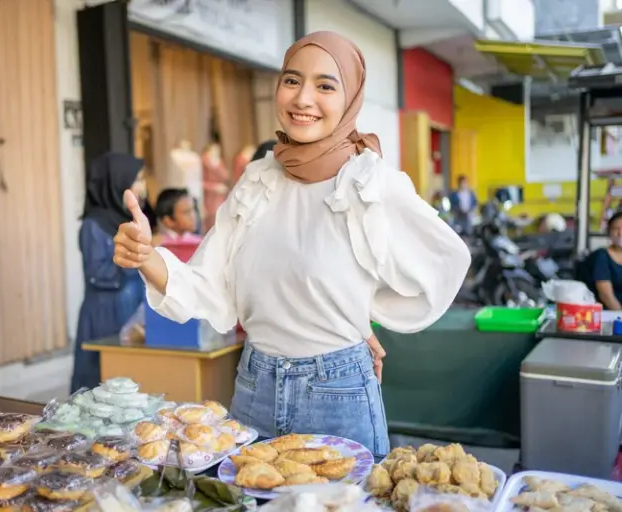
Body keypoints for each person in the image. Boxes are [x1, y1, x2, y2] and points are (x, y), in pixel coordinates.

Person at [112, 31, 470, 454]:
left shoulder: (370, 183)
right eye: (291, 80)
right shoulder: (257, 180)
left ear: (350, 97)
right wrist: (148, 257)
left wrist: (359, 316)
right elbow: (212, 286)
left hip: (337, 393)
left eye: (325, 85)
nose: (303, 98)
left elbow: (444, 263)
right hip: (253, 385)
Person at [70, 152, 148, 393]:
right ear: (117, 183)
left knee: (131, 384)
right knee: (102, 384)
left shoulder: (125, 220)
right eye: (137, 179)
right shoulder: (93, 225)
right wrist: (132, 256)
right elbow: (100, 274)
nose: (142, 186)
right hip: (105, 315)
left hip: (130, 309)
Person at [593, 211, 622, 310]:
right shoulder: (602, 256)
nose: (620, 233)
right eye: (616, 229)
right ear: (609, 232)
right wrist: (620, 315)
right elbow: (606, 295)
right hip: (611, 315)